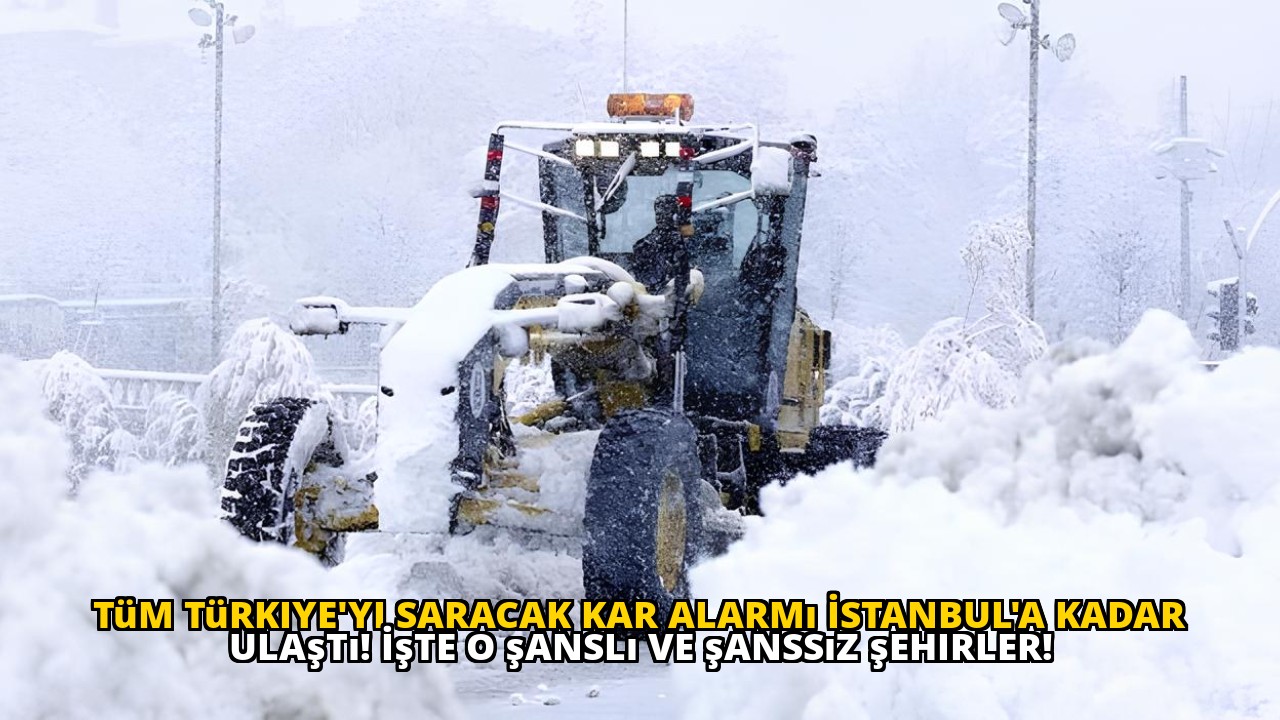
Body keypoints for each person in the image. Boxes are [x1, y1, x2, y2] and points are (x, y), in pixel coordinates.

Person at [630, 194, 683, 292]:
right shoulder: (644, 246)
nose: (660, 218)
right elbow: (642, 281)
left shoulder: (688, 242)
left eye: (666, 213)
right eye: (658, 214)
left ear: (675, 215)